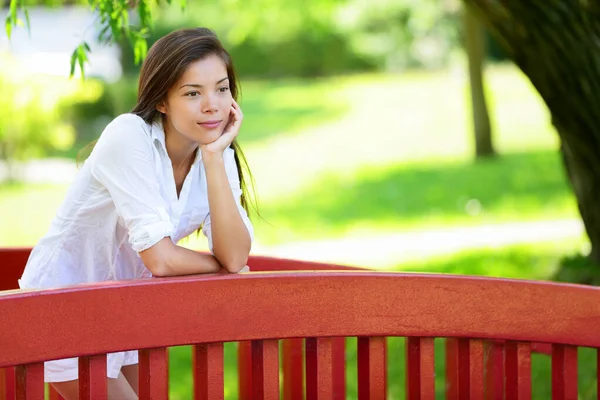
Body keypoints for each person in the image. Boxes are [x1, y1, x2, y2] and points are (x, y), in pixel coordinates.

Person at [18, 27, 254, 399]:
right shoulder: (129, 136)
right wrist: (219, 265)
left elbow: (237, 253)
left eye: (222, 89)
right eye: (193, 93)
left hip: (125, 314)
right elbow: (161, 259)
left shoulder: (215, 151)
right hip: (61, 312)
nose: (213, 105)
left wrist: (212, 159)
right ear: (161, 101)